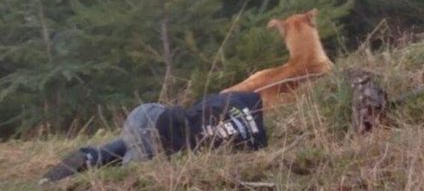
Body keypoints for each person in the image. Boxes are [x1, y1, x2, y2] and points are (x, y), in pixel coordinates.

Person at [40, 92, 267, 183]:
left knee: (123, 148)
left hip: (149, 112)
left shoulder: (231, 99)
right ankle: (90, 161)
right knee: (128, 174)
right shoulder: (257, 140)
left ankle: (86, 158)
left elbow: (199, 104)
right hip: (155, 138)